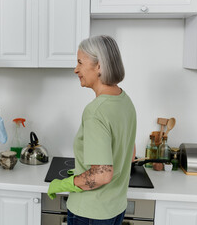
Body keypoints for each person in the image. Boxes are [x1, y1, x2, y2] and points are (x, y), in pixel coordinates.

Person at [47, 35, 136, 225]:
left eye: (80, 62)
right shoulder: (124, 100)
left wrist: (65, 183)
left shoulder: (95, 111)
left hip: (90, 212)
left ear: (99, 66)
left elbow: (102, 174)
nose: (75, 69)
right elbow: (131, 154)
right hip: (116, 208)